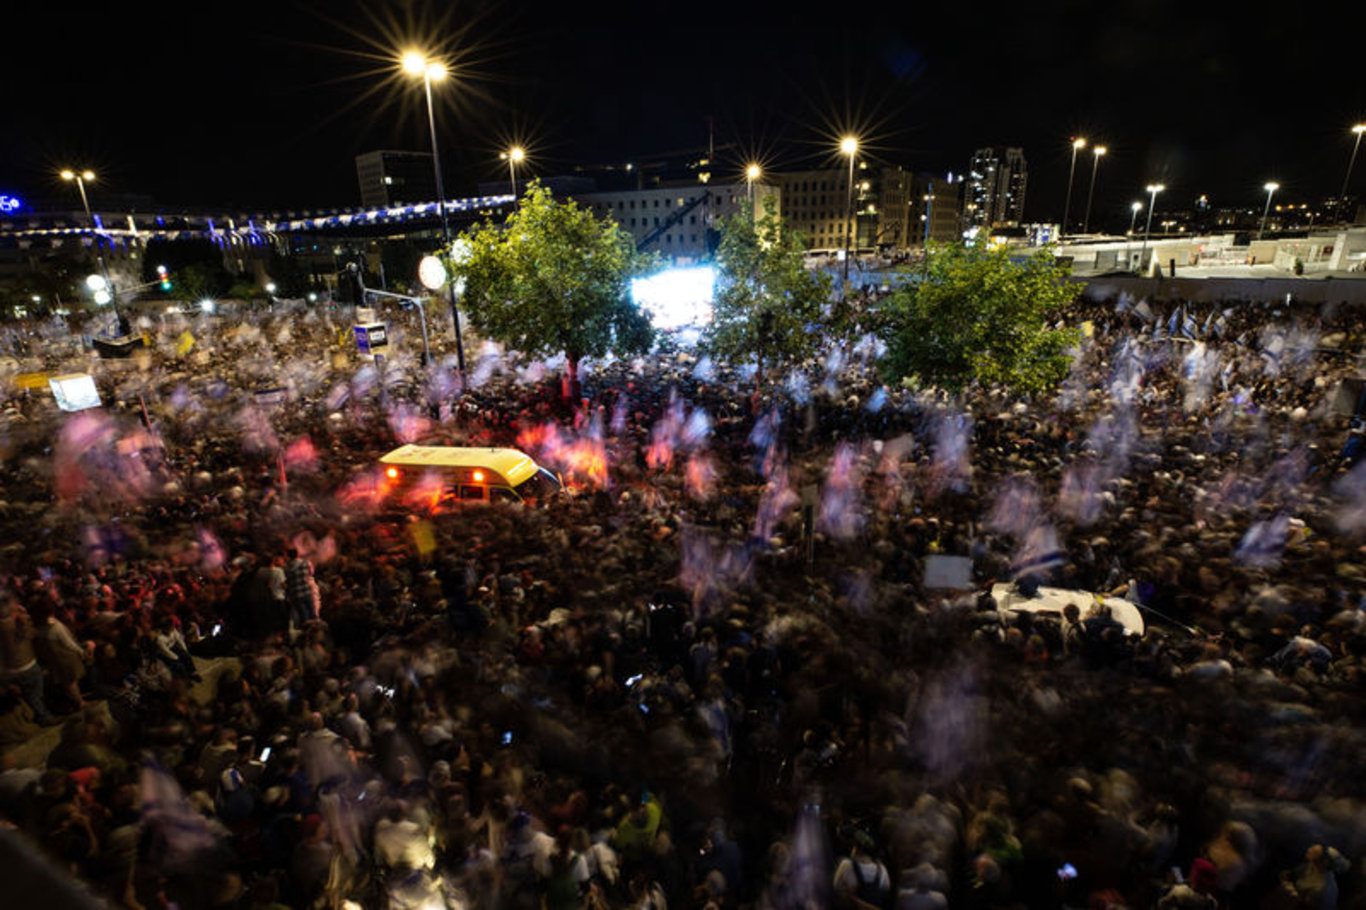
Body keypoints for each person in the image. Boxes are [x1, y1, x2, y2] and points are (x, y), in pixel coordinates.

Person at [0, 595, 57, 724]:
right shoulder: (16, 622)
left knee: (25, 696)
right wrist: (24, 618)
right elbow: (30, 635)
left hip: (6, 671)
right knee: (34, 694)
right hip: (25, 665)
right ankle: (44, 717)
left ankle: (33, 716)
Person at [285, 549, 318, 633]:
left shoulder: (286, 567)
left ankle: (307, 633)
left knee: (303, 616)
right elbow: (311, 573)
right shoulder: (305, 563)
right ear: (297, 554)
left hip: (295, 594)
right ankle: (316, 632)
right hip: (306, 591)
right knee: (312, 613)